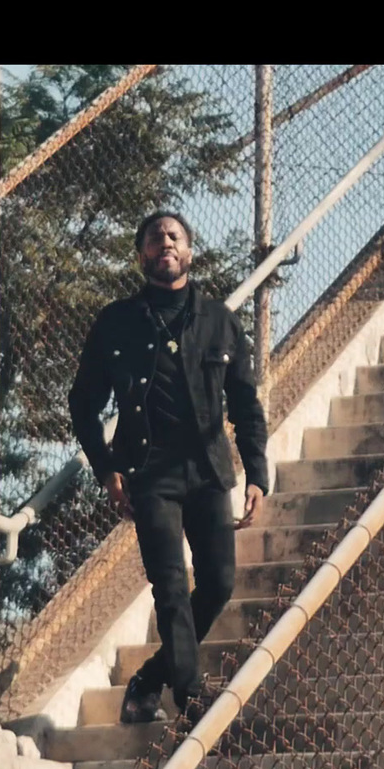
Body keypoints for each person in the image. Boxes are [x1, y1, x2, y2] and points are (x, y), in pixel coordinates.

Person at [68, 211, 269, 724]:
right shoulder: (117, 322)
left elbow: (245, 403)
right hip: (149, 474)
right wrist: (105, 468)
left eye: (174, 236)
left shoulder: (219, 321)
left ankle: (150, 677)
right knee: (171, 587)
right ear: (141, 255)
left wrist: (258, 474)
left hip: (207, 472)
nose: (165, 243)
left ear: (189, 252)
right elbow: (82, 402)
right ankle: (191, 696)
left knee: (220, 583)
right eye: (155, 238)